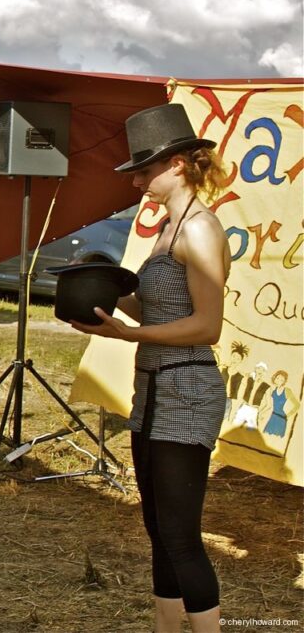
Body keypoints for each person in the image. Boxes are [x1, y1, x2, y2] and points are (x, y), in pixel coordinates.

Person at [71, 103, 229, 632]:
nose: (138, 180)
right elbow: (161, 307)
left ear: (179, 164)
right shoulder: (167, 228)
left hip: (187, 387)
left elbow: (208, 326)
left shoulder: (201, 229)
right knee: (159, 530)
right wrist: (104, 290)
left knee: (182, 537)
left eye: (145, 169)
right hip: (155, 388)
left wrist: (129, 334)